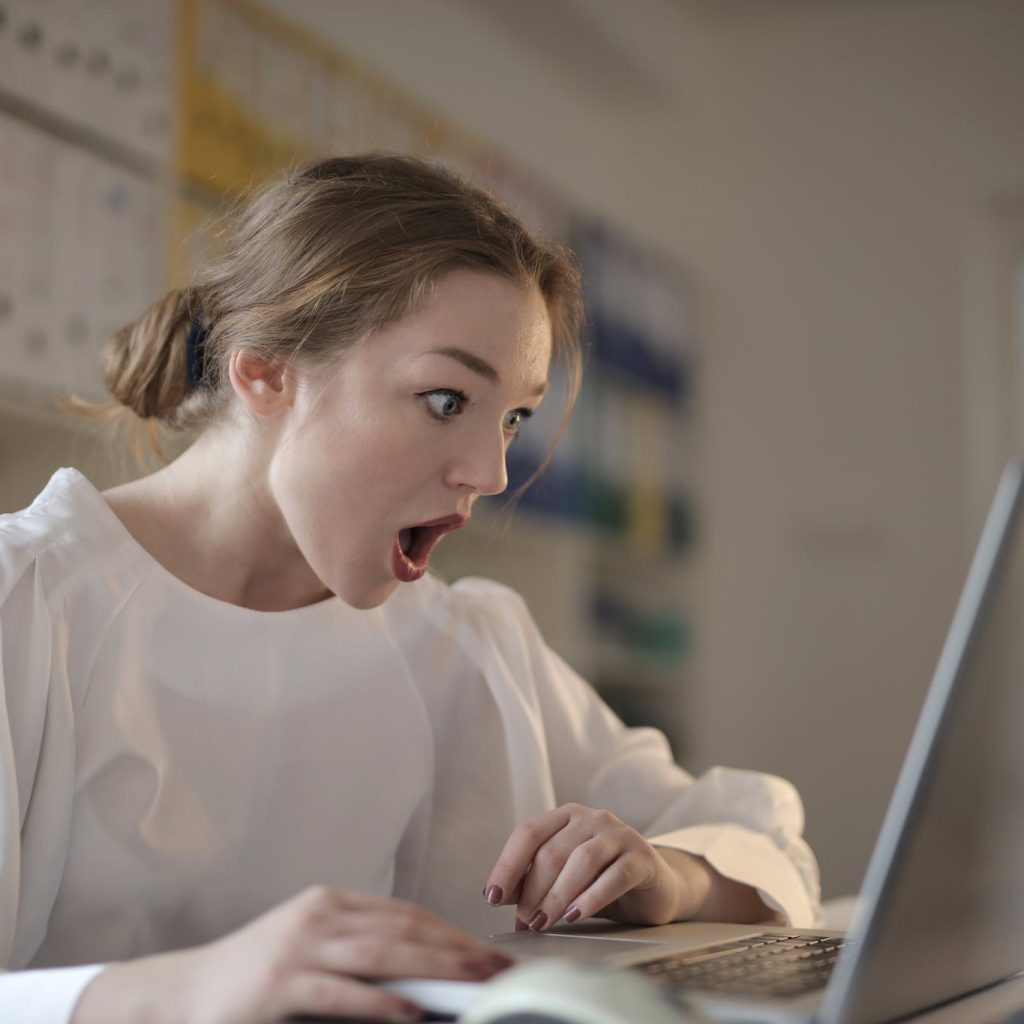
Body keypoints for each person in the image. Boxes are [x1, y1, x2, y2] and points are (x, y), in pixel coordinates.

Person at [0, 154, 821, 1024]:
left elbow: (763, 844)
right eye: (443, 399)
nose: (494, 471)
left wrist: (667, 875)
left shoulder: (468, 639)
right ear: (267, 369)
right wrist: (181, 991)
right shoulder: (30, 604)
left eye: (514, 417)